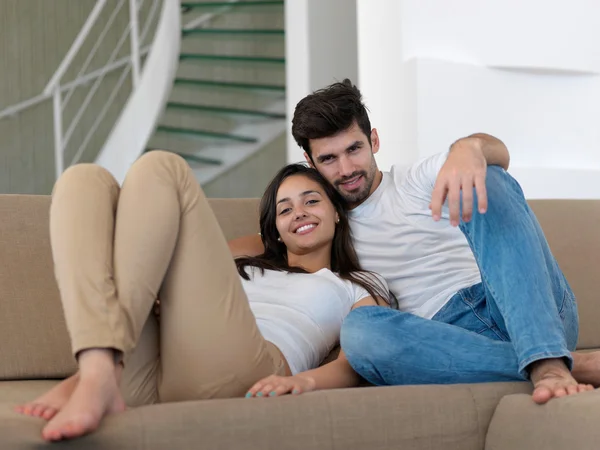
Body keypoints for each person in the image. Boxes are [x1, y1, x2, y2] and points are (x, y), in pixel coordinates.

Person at [230, 79, 600, 405]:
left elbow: (496, 152)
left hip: (521, 306)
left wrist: (469, 148)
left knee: (489, 177)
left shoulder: (414, 179)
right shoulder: (319, 225)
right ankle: (562, 363)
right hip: (446, 339)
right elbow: (250, 252)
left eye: (354, 149)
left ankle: (547, 357)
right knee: (361, 332)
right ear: (310, 162)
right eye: (329, 159)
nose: (345, 170)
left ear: (374, 140)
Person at [15, 151, 395, 442]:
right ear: (276, 230)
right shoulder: (250, 256)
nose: (298, 213)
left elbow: (359, 357)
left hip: (247, 367)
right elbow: (170, 263)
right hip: (152, 369)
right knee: (84, 179)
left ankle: (92, 373)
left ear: (337, 213)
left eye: (311, 201)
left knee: (162, 167)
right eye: (285, 209)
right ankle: (101, 365)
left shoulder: (357, 283)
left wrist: (306, 383)